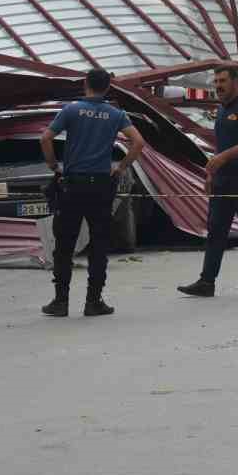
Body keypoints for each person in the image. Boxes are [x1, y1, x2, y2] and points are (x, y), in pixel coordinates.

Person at [40, 69, 148, 317]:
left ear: (85, 84)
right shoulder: (116, 114)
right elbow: (139, 143)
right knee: (99, 243)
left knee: (65, 244)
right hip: (101, 185)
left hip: (72, 184)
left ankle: (60, 301)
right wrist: (121, 167)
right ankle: (94, 301)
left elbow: (45, 138)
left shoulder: (71, 110)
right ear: (108, 87)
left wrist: (54, 166)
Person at [179, 67, 238, 298]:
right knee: (216, 231)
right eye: (216, 81)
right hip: (222, 180)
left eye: (222, 81)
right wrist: (211, 174)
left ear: (236, 82)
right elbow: (220, 149)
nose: (218, 85)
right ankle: (206, 282)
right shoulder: (221, 110)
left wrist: (224, 157)